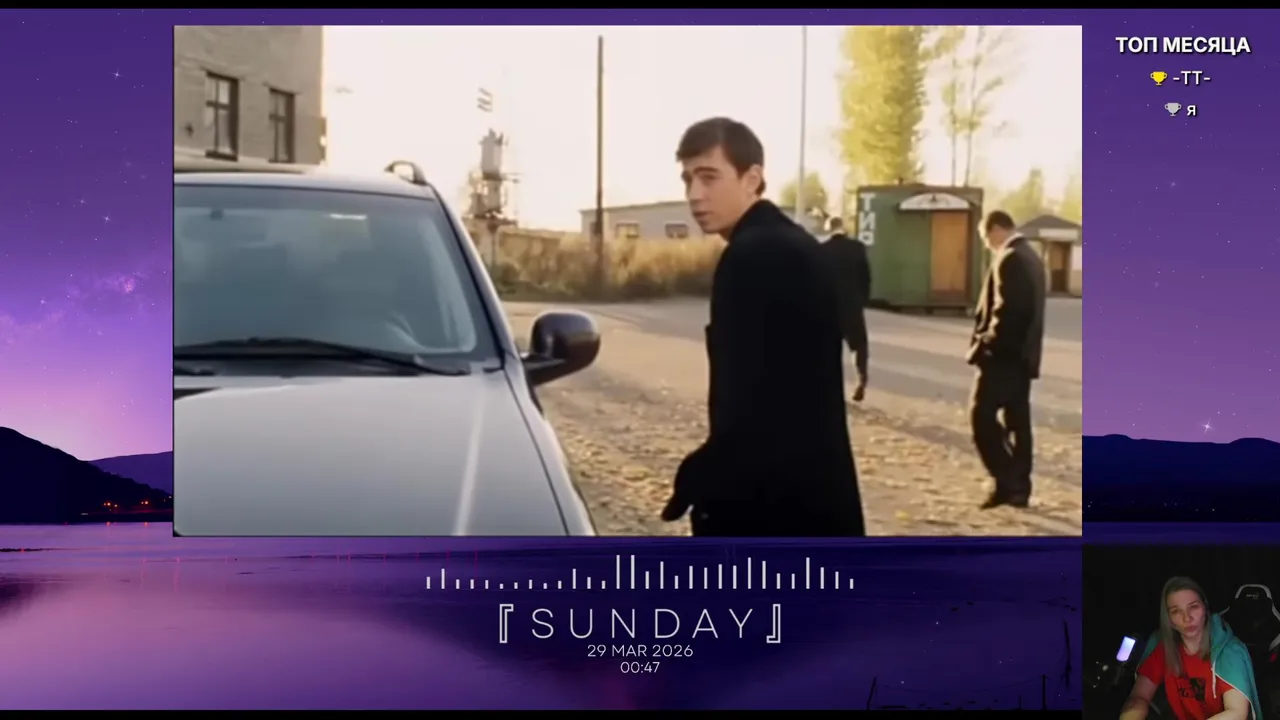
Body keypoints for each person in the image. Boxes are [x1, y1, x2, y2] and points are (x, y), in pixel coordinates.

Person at [659, 116, 865, 537]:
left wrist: (709, 478)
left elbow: (750, 404)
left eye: (709, 177)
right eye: (688, 179)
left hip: (771, 509)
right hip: (814, 496)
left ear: (751, 179)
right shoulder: (792, 244)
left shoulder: (753, 256)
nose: (695, 194)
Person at [966, 210, 1046, 510]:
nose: (988, 245)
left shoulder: (1010, 258)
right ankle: (1018, 488)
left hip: (1002, 357)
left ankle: (1006, 479)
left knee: (981, 416)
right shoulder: (1032, 256)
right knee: (1017, 423)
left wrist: (987, 345)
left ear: (996, 229)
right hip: (1023, 357)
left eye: (986, 238)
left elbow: (1008, 311)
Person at [1120, 576, 1259, 720]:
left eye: (1193, 607)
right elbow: (1138, 697)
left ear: (1205, 608)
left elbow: (1237, 713)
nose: (1187, 618)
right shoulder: (1164, 649)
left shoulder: (1229, 651)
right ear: (1169, 619)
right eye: (1176, 611)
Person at [821, 216, 871, 403]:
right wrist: (862, 300)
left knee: (827, 349)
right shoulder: (857, 248)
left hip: (828, 307)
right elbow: (866, 277)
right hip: (852, 305)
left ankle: (829, 389)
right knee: (859, 345)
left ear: (829, 229)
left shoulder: (822, 250)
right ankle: (861, 378)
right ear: (843, 228)